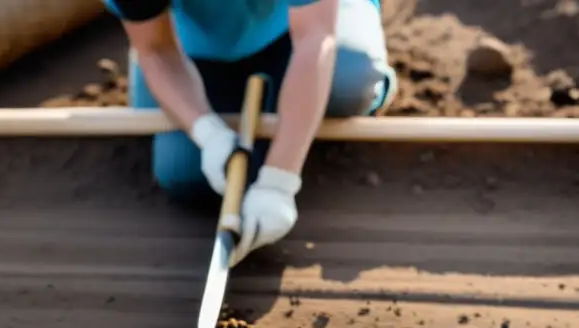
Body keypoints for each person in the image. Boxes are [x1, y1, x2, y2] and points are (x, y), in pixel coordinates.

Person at [102, 0, 396, 266]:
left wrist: (279, 179)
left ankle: (355, 72)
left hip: (310, 18)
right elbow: (155, 49)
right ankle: (269, 101)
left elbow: (315, 36)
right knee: (183, 173)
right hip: (197, 42)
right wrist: (208, 133)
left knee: (349, 83)